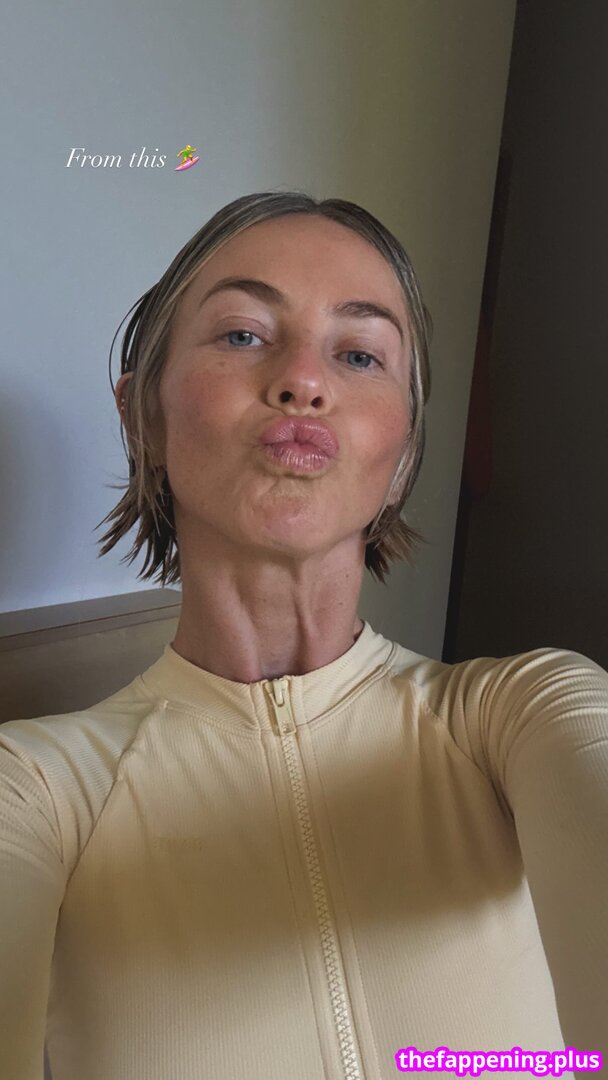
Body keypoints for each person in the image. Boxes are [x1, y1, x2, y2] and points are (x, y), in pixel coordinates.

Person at [1, 191, 606, 1080]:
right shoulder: (35, 791)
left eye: (358, 353)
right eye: (244, 334)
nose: (304, 381)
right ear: (143, 417)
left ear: (402, 455)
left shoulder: (523, 715)